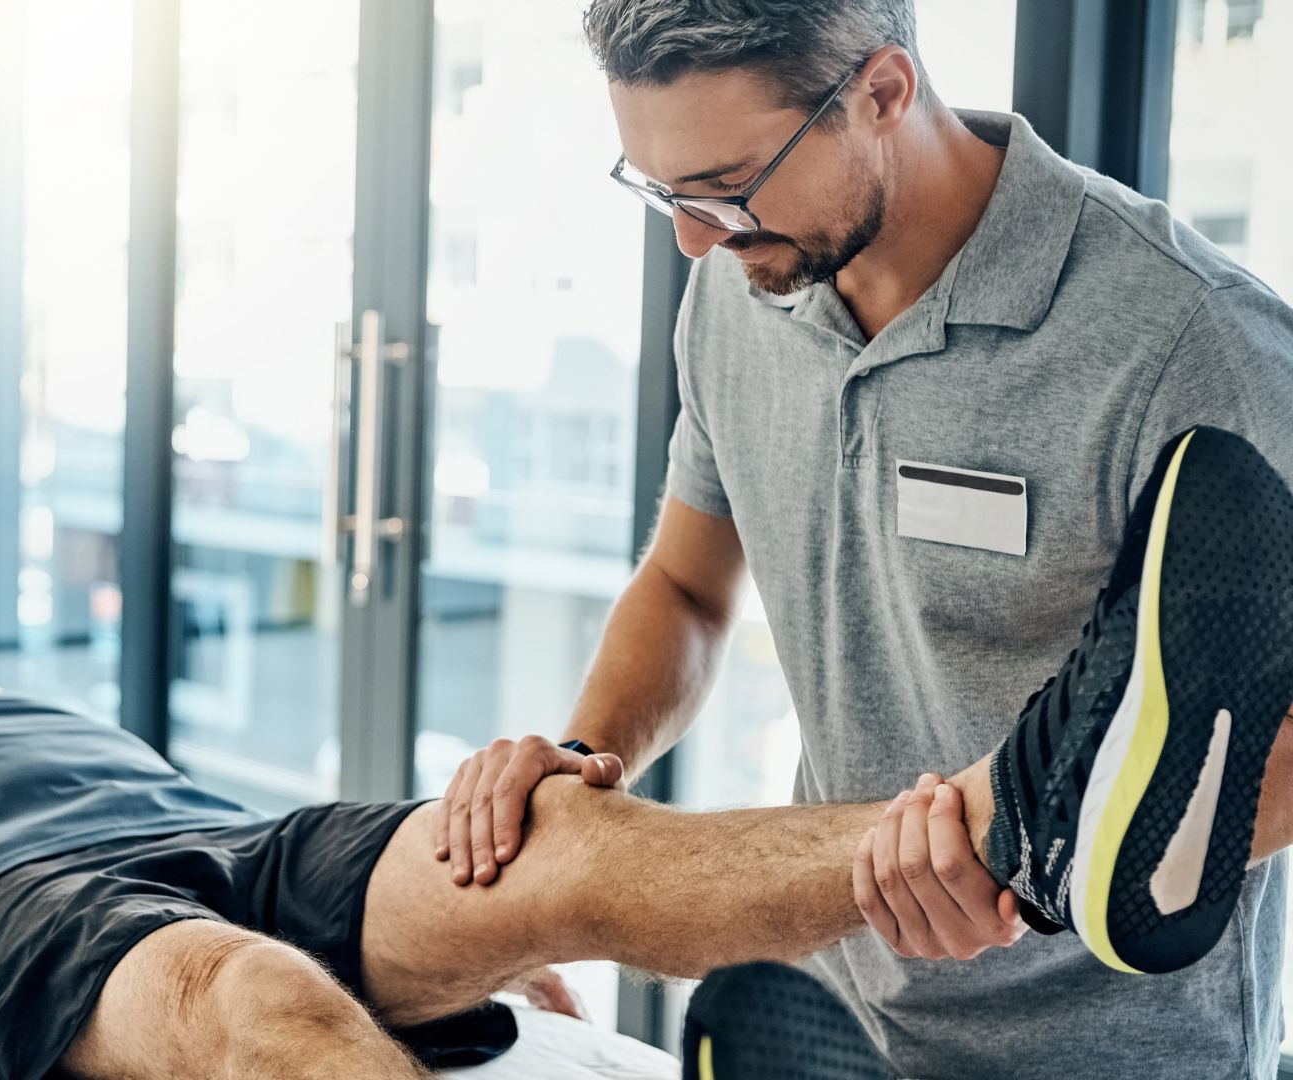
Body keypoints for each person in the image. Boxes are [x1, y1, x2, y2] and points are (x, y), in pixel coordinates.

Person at [0, 421, 1288, 1080]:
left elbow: (513, 870)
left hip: (244, 833)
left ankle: (1017, 819)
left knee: (560, 844)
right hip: (24, 909)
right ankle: (1040, 814)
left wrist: (503, 931)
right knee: (241, 1003)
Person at [437, 2, 1293, 1076]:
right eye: (661, 189)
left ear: (881, 93)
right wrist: (580, 765)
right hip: (826, 1015)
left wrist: (1028, 876)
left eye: (726, 182)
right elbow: (688, 590)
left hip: (1110, 1046)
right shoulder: (740, 287)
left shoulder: (1192, 340)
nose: (694, 235)